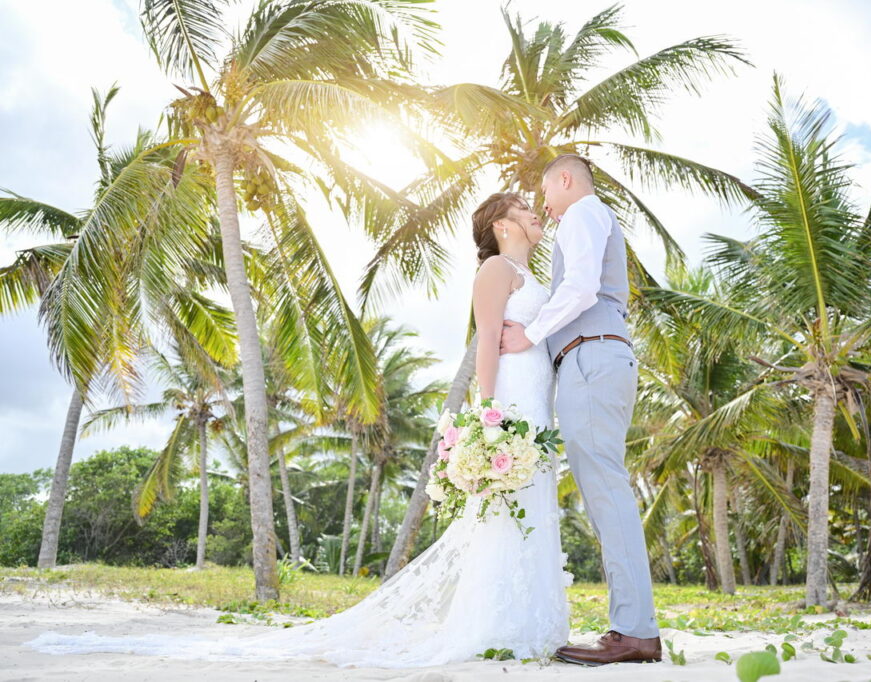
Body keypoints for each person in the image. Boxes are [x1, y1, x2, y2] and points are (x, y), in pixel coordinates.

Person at [22, 192, 572, 668]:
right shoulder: (496, 272)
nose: (533, 213)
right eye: (524, 208)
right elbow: (485, 346)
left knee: (529, 502)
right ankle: (500, 627)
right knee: (504, 508)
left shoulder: (535, 277)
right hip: (511, 406)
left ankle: (526, 621)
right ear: (502, 225)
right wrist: (488, 419)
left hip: (536, 401)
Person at [500, 154, 662, 665]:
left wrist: (529, 333)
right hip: (591, 358)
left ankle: (634, 631)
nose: (545, 209)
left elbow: (581, 286)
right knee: (603, 493)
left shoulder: (584, 213)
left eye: (546, 195)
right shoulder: (584, 217)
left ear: (565, 181)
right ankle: (633, 627)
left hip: (592, 354)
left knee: (607, 492)